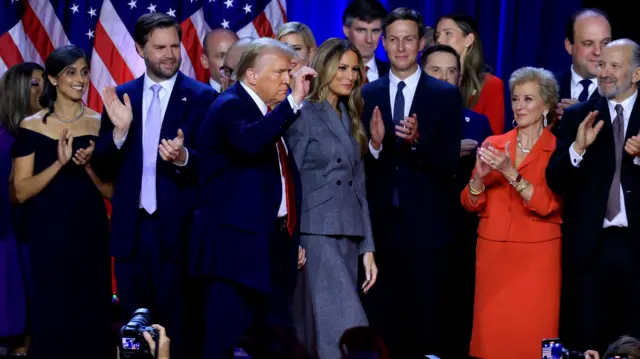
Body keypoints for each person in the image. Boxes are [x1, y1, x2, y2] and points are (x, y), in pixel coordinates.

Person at [92, 13, 218, 359]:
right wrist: (118, 133)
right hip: (132, 235)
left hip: (179, 235)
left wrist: (183, 158)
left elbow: (214, 166)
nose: (170, 54)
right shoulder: (122, 96)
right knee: (133, 332)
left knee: (180, 330)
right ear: (139, 48)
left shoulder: (202, 97)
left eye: (174, 46)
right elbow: (102, 165)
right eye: (160, 47)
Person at [190, 37, 316, 359]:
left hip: (266, 252)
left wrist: (290, 235)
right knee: (223, 344)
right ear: (252, 76)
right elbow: (249, 143)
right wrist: (294, 103)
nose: (287, 80)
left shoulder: (263, 112)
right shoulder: (231, 106)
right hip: (233, 256)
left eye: (289, 73)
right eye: (279, 73)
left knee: (275, 345)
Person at [360, 7, 464, 358]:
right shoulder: (367, 93)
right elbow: (360, 166)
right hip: (381, 232)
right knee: (384, 325)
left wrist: (418, 141)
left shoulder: (443, 94)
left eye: (408, 39)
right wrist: (374, 146)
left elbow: (450, 164)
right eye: (393, 39)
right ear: (382, 43)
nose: (400, 47)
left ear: (422, 43)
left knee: (426, 326)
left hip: (429, 232)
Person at [11, 46, 112, 359]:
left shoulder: (99, 124)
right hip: (49, 236)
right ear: (53, 78)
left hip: (91, 234)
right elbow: (20, 192)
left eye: (83, 72)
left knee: (92, 317)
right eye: (71, 72)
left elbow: (112, 192)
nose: (80, 79)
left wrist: (89, 166)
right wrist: (59, 163)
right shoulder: (31, 126)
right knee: (54, 317)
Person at [286, 38, 378, 359]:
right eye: (342, 68)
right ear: (324, 67)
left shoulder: (350, 117)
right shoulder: (304, 114)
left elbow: (359, 188)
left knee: (326, 331)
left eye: (355, 69)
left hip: (348, 235)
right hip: (315, 235)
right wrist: (292, 236)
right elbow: (290, 180)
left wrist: (368, 247)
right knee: (341, 328)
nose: (350, 75)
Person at [546, 39, 640, 354]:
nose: (605, 73)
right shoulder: (578, 117)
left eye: (615, 66)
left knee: (632, 342)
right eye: (602, 65)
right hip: (590, 249)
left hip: (636, 248)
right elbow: (555, 180)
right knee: (587, 341)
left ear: (637, 73)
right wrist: (578, 148)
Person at [461, 66, 562, 359]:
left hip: (537, 259)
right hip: (493, 256)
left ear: (547, 105)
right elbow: (469, 203)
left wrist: (509, 172)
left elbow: (547, 205)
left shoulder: (557, 151)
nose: (519, 106)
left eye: (528, 99)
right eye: (515, 99)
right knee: (491, 339)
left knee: (531, 339)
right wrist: (479, 178)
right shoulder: (494, 143)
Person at [419, 43, 493, 357]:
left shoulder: (478, 123)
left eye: (452, 71)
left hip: (464, 236)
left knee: (459, 314)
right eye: (437, 71)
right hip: (420, 234)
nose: (446, 78)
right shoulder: (408, 122)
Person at [0, 62, 43, 356]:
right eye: (36, 83)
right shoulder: (6, 141)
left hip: (36, 237)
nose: (44, 89)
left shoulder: (41, 135)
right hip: (10, 240)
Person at [435, 13, 505, 135]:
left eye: (448, 33)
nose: (440, 40)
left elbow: (493, 138)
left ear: (469, 40)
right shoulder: (431, 80)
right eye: (437, 35)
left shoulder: (490, 84)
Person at [555, 8, 612, 118]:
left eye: (605, 43)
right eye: (588, 43)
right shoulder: (546, 87)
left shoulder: (626, 91)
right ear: (569, 46)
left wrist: (582, 116)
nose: (598, 51)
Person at [342, 0, 389, 83]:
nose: (369, 40)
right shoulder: (331, 74)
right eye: (361, 30)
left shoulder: (392, 74)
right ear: (346, 30)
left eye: (375, 31)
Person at [200, 28, 239, 93]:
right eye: (222, 56)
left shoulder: (257, 95)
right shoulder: (196, 100)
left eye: (236, 54)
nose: (231, 63)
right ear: (205, 61)